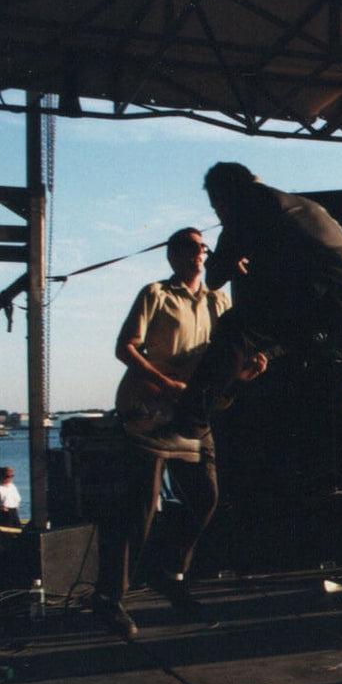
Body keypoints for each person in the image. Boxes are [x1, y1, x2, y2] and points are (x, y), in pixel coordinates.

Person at [156, 163, 342, 448]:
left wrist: (228, 253)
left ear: (222, 197)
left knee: (234, 327)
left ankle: (189, 422)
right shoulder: (300, 206)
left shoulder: (245, 204)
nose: (218, 215)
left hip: (323, 294)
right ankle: (333, 372)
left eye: (216, 208)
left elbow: (214, 278)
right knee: (275, 337)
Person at [98, 227, 230, 638]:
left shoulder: (219, 301)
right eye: (191, 247)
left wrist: (248, 365)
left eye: (203, 247)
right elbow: (125, 348)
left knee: (206, 497)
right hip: (150, 410)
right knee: (141, 507)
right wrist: (164, 383)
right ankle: (109, 600)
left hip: (191, 415)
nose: (201, 253)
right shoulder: (155, 293)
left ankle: (169, 572)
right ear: (172, 256)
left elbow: (223, 359)